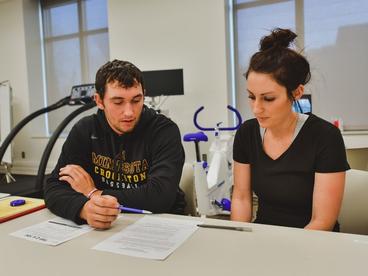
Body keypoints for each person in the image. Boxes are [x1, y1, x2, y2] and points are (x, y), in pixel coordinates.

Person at [231, 28, 350, 231]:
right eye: (251, 96)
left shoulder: (325, 137)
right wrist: (238, 242)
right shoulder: (247, 133)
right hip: (264, 237)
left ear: (296, 92)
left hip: (312, 242)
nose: (256, 108)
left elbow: (322, 221)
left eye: (268, 98)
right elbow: (242, 199)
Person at [44, 59, 186, 229]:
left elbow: (160, 196)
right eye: (118, 102)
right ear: (99, 100)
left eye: (136, 100)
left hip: (161, 222)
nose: (129, 112)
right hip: (108, 225)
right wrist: (84, 209)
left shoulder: (163, 130)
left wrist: (93, 193)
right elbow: (54, 187)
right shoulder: (85, 130)